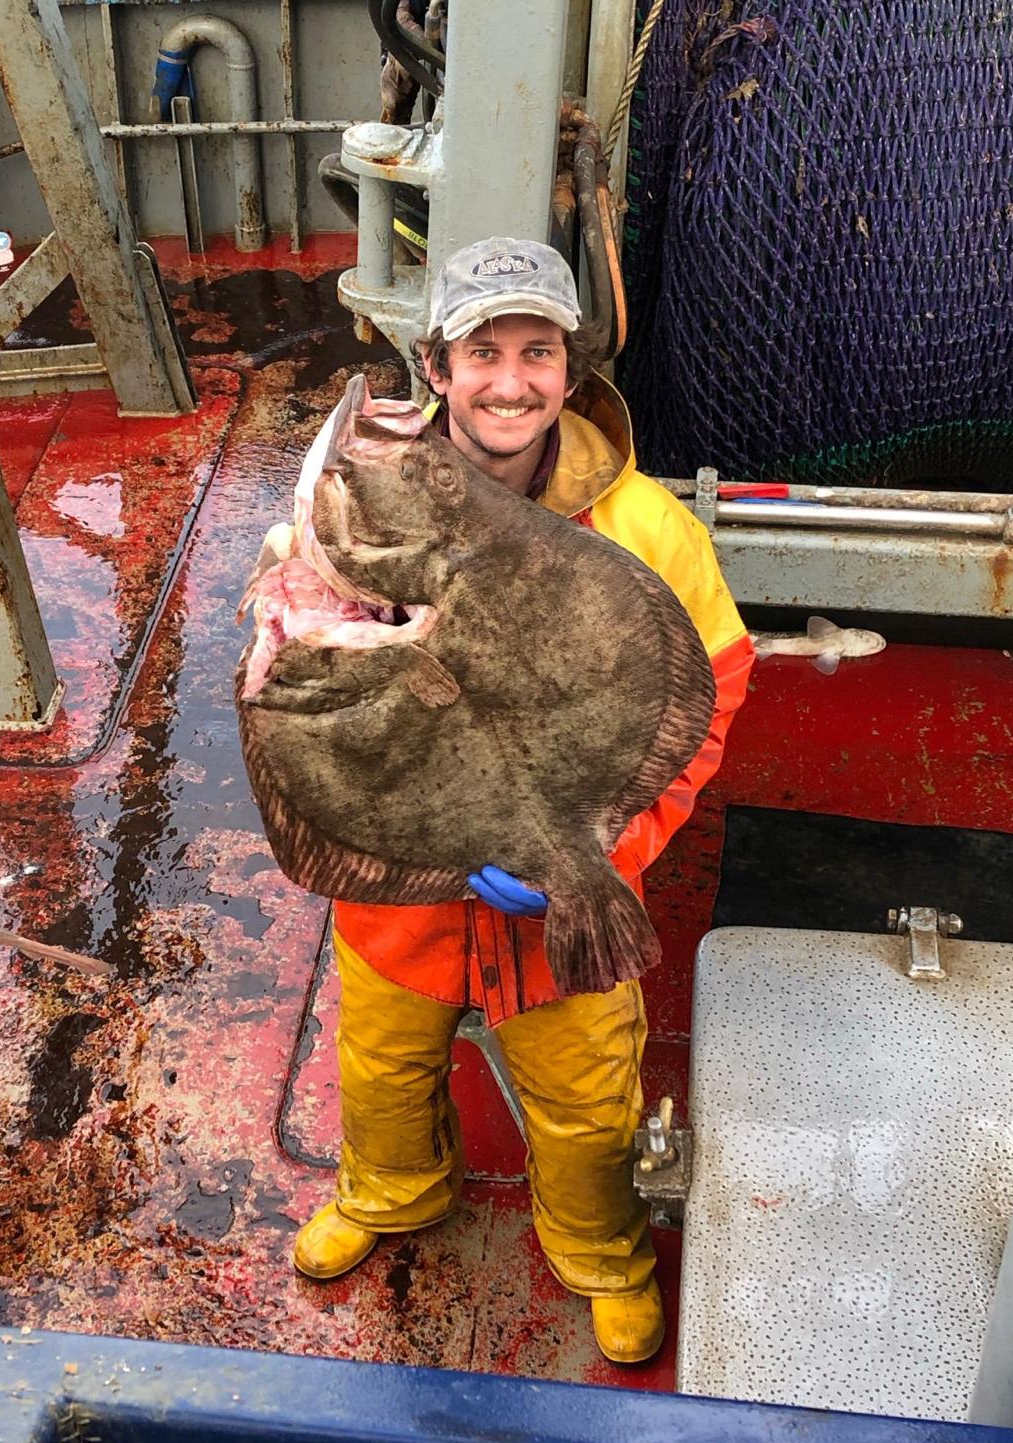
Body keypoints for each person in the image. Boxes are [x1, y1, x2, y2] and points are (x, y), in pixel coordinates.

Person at [292, 237, 755, 1363]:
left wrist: (613, 842)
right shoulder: (368, 492)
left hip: (566, 885)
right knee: (384, 1062)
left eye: (536, 351)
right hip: (401, 880)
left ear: (569, 364)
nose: (510, 380)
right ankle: (390, 1192)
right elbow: (288, 645)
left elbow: (715, 688)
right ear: (437, 367)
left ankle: (603, 1252)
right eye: (482, 351)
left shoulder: (647, 528)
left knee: (588, 1092)